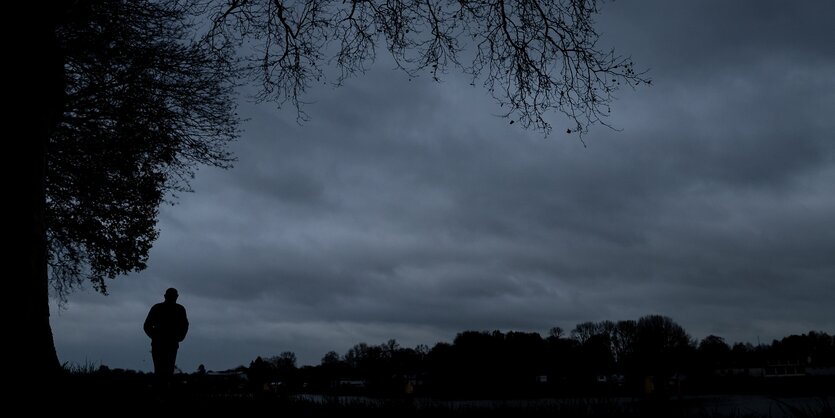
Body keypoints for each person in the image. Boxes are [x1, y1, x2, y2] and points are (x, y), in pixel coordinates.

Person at [144, 288, 189, 380]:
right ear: (166, 296)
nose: (173, 298)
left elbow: (185, 325)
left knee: (166, 370)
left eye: (174, 296)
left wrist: (180, 337)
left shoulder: (179, 309)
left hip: (168, 343)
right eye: (172, 296)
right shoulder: (159, 308)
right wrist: (155, 336)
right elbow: (147, 325)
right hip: (162, 343)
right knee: (162, 370)